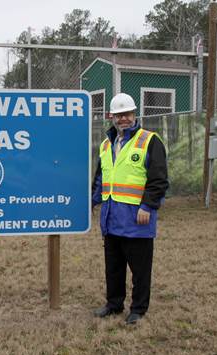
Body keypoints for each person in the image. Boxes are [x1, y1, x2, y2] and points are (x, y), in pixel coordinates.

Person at [92, 92, 168, 325]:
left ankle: (138, 309)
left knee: (140, 269)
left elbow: (159, 179)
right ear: (111, 117)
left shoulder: (149, 140)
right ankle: (114, 304)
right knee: (113, 267)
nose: (123, 119)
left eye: (127, 114)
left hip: (137, 219)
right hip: (111, 218)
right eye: (118, 115)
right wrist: (92, 202)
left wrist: (148, 205)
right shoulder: (106, 144)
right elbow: (100, 178)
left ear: (134, 114)